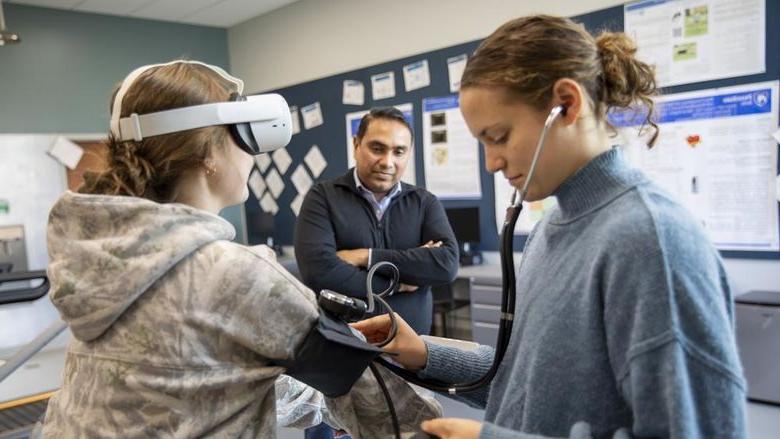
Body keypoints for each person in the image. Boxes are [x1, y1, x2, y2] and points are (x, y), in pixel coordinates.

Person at [353, 15, 746, 439]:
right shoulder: (551, 228)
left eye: (499, 137)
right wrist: (421, 351)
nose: (492, 163)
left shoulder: (651, 241)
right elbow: (529, 378)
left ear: (567, 103)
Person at [40, 60, 440, 438]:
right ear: (208, 152)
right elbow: (388, 408)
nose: (252, 155)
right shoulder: (235, 275)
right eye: (243, 135)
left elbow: (190, 379)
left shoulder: (97, 258)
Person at [294, 106, 459, 335]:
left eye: (399, 152)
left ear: (408, 153)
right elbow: (320, 272)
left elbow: (446, 265)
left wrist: (366, 256)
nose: (387, 162)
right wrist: (398, 284)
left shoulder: (424, 202)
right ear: (356, 145)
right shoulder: (322, 198)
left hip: (412, 349)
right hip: (345, 343)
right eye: (377, 148)